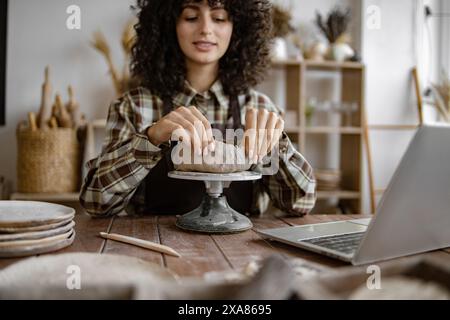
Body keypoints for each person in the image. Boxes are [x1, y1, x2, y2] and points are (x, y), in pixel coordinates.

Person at [79, 0, 316, 217]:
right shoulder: (134, 106)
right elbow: (96, 203)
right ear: (169, 24)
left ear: (239, 27)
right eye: (191, 17)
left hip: (239, 253)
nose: (205, 28)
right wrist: (150, 139)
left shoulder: (258, 107)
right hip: (155, 249)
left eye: (219, 18)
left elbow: (300, 204)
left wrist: (278, 147)